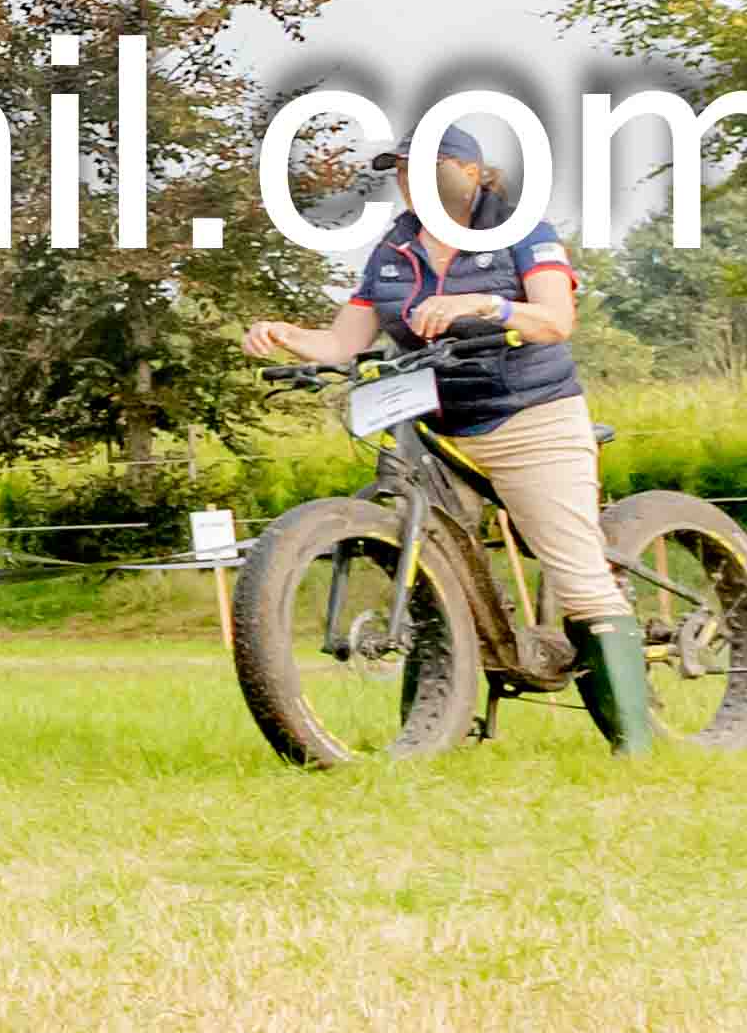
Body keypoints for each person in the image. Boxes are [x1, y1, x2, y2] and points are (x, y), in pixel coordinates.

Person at [241, 121, 641, 748]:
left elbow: (555, 321)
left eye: (429, 167)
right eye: (402, 171)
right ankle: (434, 729)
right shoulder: (392, 250)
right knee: (432, 566)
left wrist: (484, 305)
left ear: (472, 173)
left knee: (578, 575)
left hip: (529, 417)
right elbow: (344, 342)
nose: (412, 181)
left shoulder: (522, 231)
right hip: (436, 430)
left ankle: (635, 745)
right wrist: (286, 335)